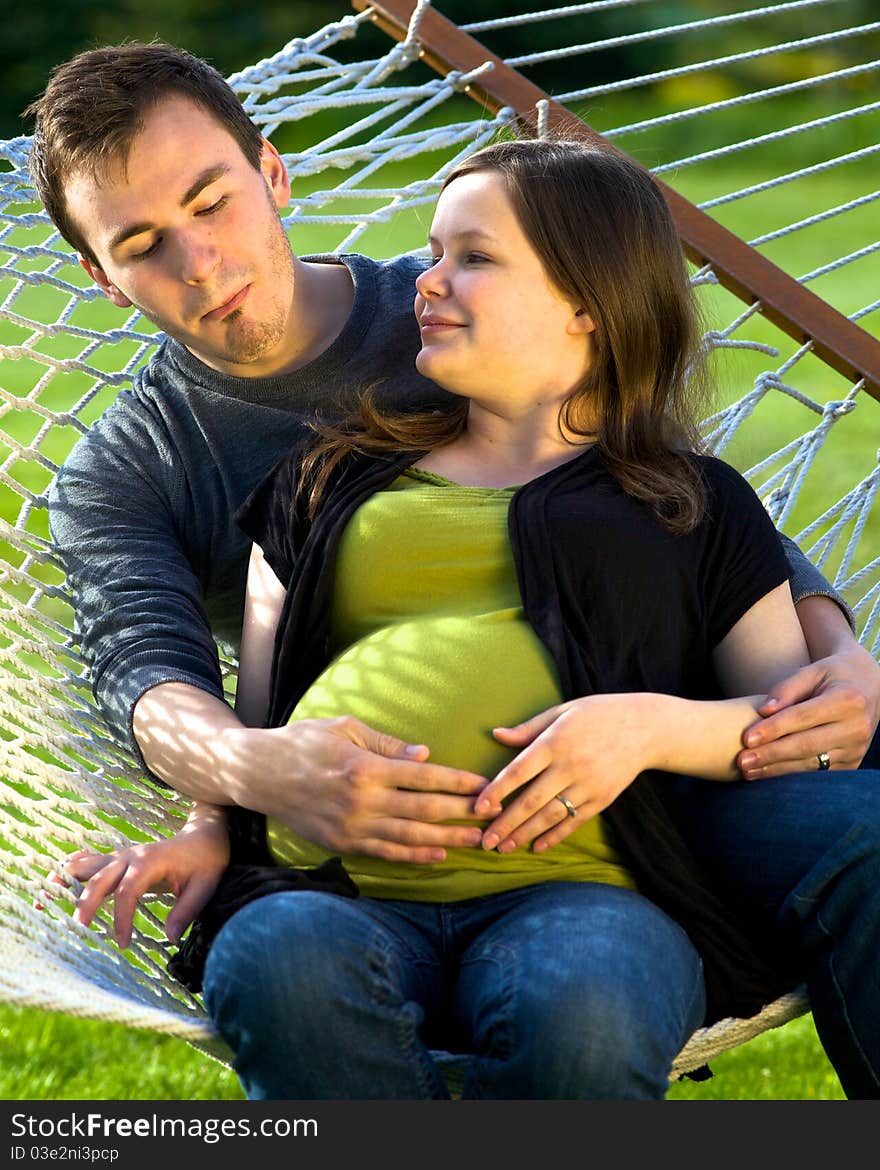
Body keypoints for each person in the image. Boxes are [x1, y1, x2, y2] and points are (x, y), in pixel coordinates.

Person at [26, 42, 880, 1097]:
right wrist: (250, 780)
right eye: (145, 244)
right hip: (352, 835)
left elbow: (669, 491)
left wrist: (837, 649)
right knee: (289, 963)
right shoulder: (130, 468)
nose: (199, 261)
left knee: (859, 837)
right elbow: (143, 669)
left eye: (213, 202)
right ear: (100, 278)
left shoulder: (442, 310)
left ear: (274, 173)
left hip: (655, 769)